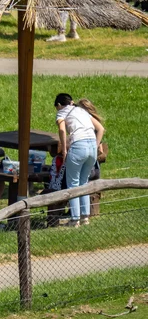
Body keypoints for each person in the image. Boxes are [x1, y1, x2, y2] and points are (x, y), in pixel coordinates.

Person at [54, 94, 105, 227]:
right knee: (84, 182)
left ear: (59, 105)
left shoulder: (61, 113)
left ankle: (75, 220)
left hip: (78, 147)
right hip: (91, 148)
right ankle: (85, 218)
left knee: (73, 184)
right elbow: (100, 129)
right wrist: (95, 145)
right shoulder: (82, 111)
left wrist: (64, 149)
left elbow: (62, 130)